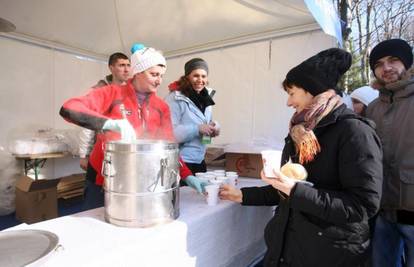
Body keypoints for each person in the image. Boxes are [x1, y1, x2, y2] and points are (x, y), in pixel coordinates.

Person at [219, 48, 383, 266]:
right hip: (292, 247)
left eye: (292, 92)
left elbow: (361, 206)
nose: (288, 102)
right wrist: (243, 196)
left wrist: (295, 190)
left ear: (310, 90)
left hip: (330, 254)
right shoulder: (300, 131)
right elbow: (286, 191)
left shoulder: (354, 132)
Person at [60, 44, 207, 195]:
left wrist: (187, 176)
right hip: (103, 178)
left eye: (161, 75)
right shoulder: (112, 94)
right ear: (138, 73)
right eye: (154, 74)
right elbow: (69, 108)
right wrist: (108, 123)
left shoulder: (161, 107)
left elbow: (169, 148)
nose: (159, 81)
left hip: (139, 180)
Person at [366, 38, 414, 267]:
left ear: (407, 64)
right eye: (379, 64)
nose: (386, 68)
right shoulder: (373, 108)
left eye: (393, 60)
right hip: (383, 210)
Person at [165, 58, 219, 174]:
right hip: (181, 162)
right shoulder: (175, 98)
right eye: (196, 75)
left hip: (200, 160)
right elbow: (168, 133)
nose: (200, 80)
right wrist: (197, 129)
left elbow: (206, 124)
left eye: (203, 76)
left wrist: (214, 129)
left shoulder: (206, 98)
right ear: (187, 77)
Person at [79, 52, 131, 172]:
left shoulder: (132, 91)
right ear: (111, 68)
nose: (126, 69)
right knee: (96, 188)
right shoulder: (99, 91)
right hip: (102, 151)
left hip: (127, 152)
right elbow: (87, 123)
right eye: (122, 65)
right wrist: (84, 155)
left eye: (128, 65)